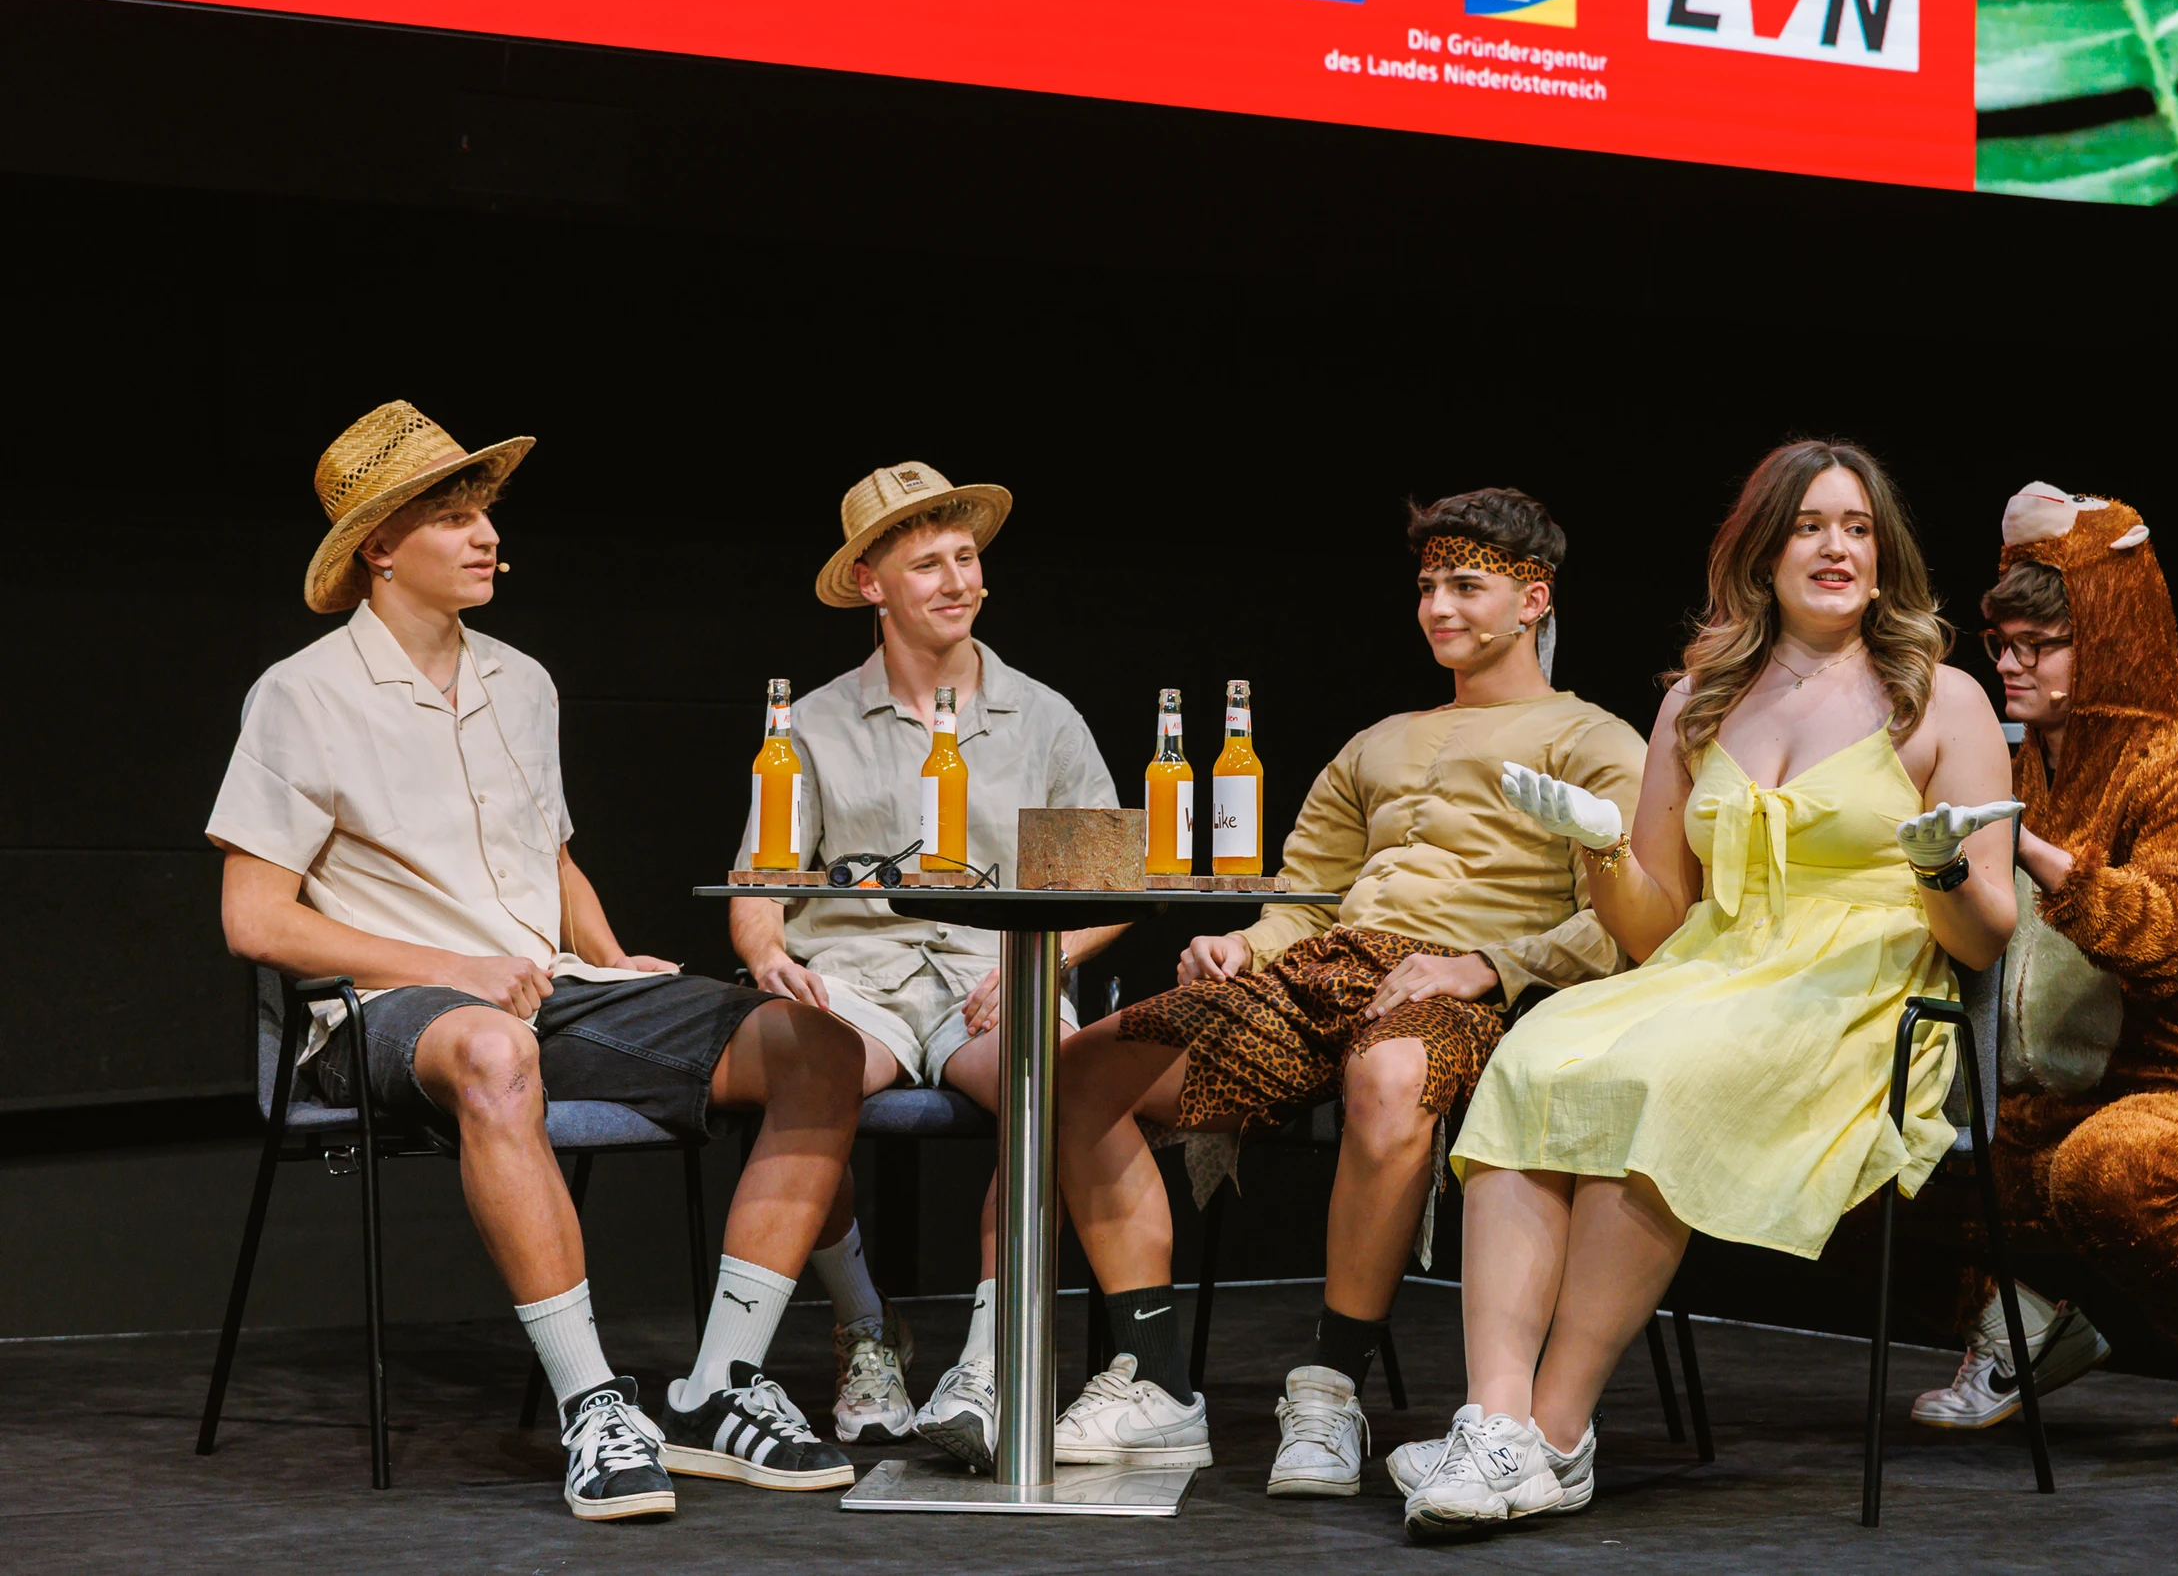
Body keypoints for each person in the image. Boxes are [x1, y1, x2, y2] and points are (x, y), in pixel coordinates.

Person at [210, 402, 868, 1523]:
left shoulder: (523, 680)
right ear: (380, 547)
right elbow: (256, 920)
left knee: (818, 1047)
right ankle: (592, 1405)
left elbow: (552, 857)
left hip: (544, 990)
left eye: (485, 515)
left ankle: (717, 1385)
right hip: (384, 1009)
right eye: (454, 519)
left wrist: (611, 957)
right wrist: (456, 968)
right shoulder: (301, 694)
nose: (487, 538)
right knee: (493, 1048)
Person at [1396, 440, 2021, 1539]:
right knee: (1532, 1057)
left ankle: (1555, 1433)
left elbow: (1983, 938)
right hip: (1708, 967)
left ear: (1884, 554)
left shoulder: (1943, 699)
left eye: (1857, 527)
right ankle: (1493, 1424)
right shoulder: (1697, 699)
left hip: (1858, 993)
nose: (1835, 547)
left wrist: (1938, 871)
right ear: (1764, 552)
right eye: (1809, 526)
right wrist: (1597, 847)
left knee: (1656, 1079)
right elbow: (1653, 928)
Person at [1049, 488, 1646, 1495]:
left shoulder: (1594, 740)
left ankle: (1329, 1389)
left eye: (1468, 585)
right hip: (1322, 973)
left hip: (1460, 986)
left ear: (1533, 598)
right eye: (1427, 586)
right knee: (1079, 1073)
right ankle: (1154, 1381)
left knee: (1389, 1080)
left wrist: (1490, 964)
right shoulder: (1377, 739)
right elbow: (1307, 896)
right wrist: (1243, 944)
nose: (1438, 606)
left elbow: (1627, 917)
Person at [727, 461, 1127, 1466]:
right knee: (802, 1070)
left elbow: (1109, 889)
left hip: (991, 977)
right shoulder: (814, 721)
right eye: (928, 564)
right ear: (871, 584)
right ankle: (866, 1326)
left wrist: (1045, 958)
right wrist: (767, 954)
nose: (958, 581)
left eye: (967, 558)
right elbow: (758, 881)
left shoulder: (1042, 716)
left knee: (1049, 1081)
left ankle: (989, 1364)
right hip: (856, 973)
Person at [1905, 482, 2178, 1470]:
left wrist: (2042, 860)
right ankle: (2018, 1331)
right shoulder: (2007, 764)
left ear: (2106, 644)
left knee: (2114, 1166)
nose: (2010, 665)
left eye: (2039, 645)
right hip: (2028, 1117)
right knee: (1844, 1145)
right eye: (2002, 644)